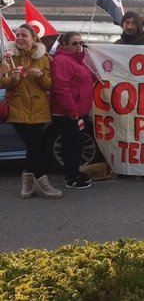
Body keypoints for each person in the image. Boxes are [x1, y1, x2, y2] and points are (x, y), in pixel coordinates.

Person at [0, 24, 62, 198]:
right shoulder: (8, 57)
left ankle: (27, 184)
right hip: (16, 108)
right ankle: (44, 183)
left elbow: (50, 85)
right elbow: (1, 82)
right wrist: (11, 79)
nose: (19, 38)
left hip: (39, 108)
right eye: (17, 35)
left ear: (33, 38)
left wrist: (41, 76)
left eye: (23, 35)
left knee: (32, 147)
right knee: (35, 146)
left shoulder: (43, 58)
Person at [50, 31, 95, 189]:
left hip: (78, 111)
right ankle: (72, 178)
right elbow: (61, 89)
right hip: (67, 113)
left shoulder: (79, 61)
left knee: (75, 144)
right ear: (64, 45)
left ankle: (74, 172)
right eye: (74, 43)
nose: (78, 46)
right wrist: (72, 111)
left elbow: (84, 81)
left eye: (80, 43)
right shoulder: (61, 61)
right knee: (72, 145)